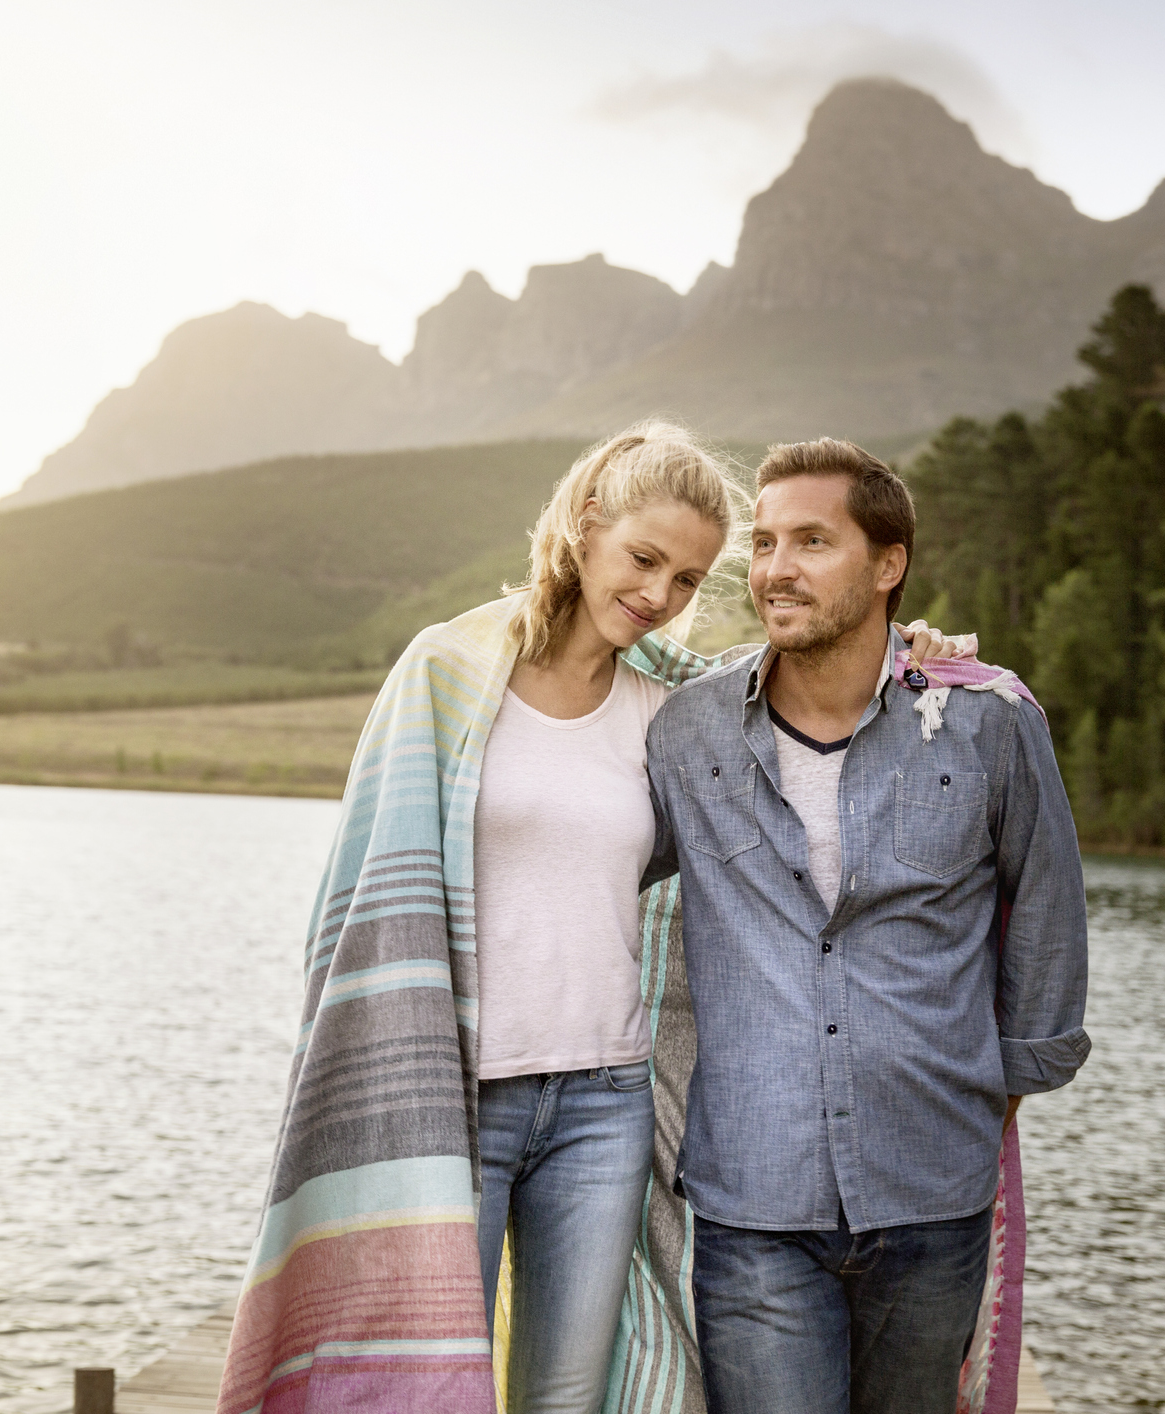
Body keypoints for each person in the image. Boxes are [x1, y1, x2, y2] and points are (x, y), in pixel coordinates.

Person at [215, 421, 972, 1414]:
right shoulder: (446, 675)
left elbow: (808, 696)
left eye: (690, 580)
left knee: (566, 1399)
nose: (660, 595)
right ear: (585, 524)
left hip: (602, 1108)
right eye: (645, 558)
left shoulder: (674, 714)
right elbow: (361, 897)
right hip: (460, 1097)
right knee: (423, 1383)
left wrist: (911, 654)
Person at [643, 437, 1091, 1414]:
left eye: (812, 540)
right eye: (763, 543)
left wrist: (985, 1097)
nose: (776, 569)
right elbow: (589, 859)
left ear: (888, 564)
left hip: (934, 1197)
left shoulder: (988, 723)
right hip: (753, 1202)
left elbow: (1050, 922)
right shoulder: (689, 731)